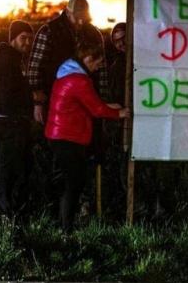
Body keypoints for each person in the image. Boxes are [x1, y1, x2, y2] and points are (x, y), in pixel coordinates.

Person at [44, 42, 129, 232]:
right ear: (88, 59)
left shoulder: (66, 72)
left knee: (67, 182)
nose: (98, 68)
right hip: (68, 137)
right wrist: (120, 113)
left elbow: (90, 104)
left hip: (58, 135)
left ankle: (62, 224)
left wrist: (112, 107)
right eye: (97, 63)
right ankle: (66, 229)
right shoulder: (80, 80)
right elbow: (97, 109)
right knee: (73, 183)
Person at [27, 0, 108, 125]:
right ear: (68, 12)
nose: (81, 22)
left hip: (87, 105)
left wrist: (103, 102)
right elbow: (35, 69)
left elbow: (102, 71)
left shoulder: (94, 34)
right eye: (77, 18)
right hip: (56, 102)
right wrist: (38, 102)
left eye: (84, 18)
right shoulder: (49, 31)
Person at [0, 20, 34, 216]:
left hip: (14, 121)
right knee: (9, 169)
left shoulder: (14, 59)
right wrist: (32, 97)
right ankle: (5, 212)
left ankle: (13, 210)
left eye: (30, 39)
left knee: (18, 168)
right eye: (23, 38)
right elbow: (8, 95)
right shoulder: (7, 61)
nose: (27, 43)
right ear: (13, 38)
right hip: (10, 122)